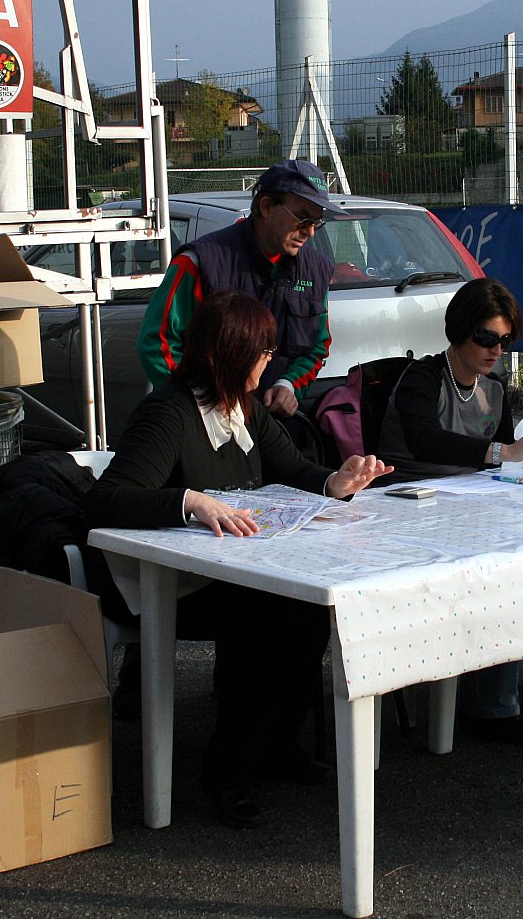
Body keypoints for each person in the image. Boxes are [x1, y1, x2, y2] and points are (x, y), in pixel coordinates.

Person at [87, 291, 392, 827]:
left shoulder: (243, 408)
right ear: (225, 354)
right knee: (267, 614)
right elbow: (106, 499)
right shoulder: (170, 412)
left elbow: (290, 469)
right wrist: (191, 501)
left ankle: (276, 744)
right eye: (261, 351)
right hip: (165, 582)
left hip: (229, 570)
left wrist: (335, 481)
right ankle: (228, 771)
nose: (268, 362)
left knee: (306, 610)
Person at [376, 277, 523, 743]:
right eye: (486, 337)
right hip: (407, 505)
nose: (496, 350)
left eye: (505, 340)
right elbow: (424, 440)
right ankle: (488, 705)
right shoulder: (422, 378)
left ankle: (504, 700)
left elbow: (507, 450)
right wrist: (503, 453)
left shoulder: (493, 388)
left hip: (468, 506)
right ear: (459, 331)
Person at [137, 158, 345, 425]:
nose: (310, 232)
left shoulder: (316, 271)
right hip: (203, 424)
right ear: (266, 206)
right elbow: (158, 343)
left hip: (272, 423)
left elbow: (317, 345)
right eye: (303, 218)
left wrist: (288, 385)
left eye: (317, 221)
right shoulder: (200, 262)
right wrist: (200, 408)